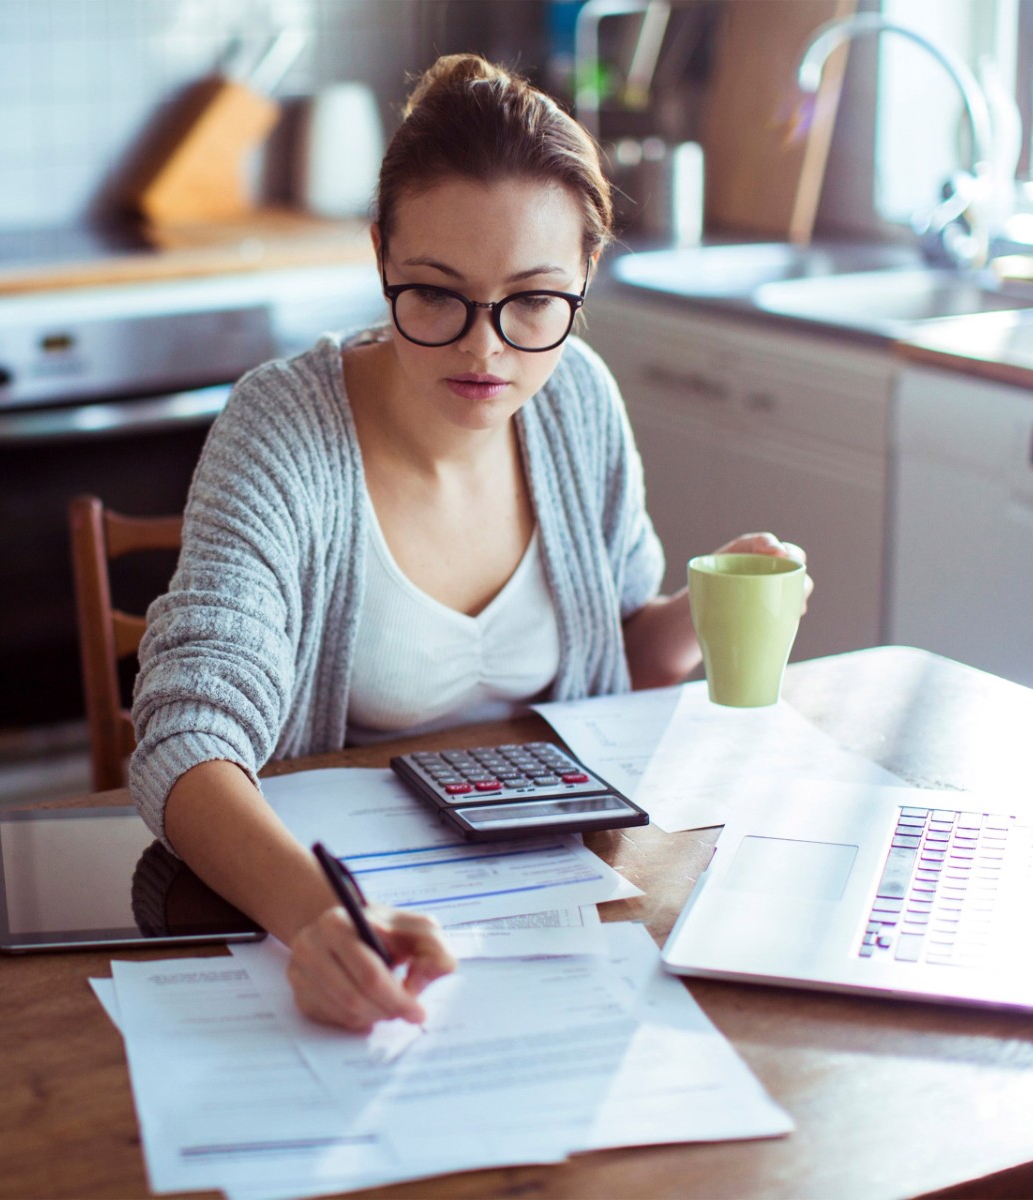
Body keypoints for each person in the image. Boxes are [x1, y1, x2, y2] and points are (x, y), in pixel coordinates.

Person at [128, 54, 808, 1032]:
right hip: (348, 906)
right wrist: (323, 918)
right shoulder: (282, 427)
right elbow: (186, 746)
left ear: (584, 273)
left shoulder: (578, 398)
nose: (485, 350)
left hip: (561, 909)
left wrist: (705, 613)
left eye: (534, 300)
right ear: (381, 256)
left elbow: (614, 653)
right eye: (438, 295)